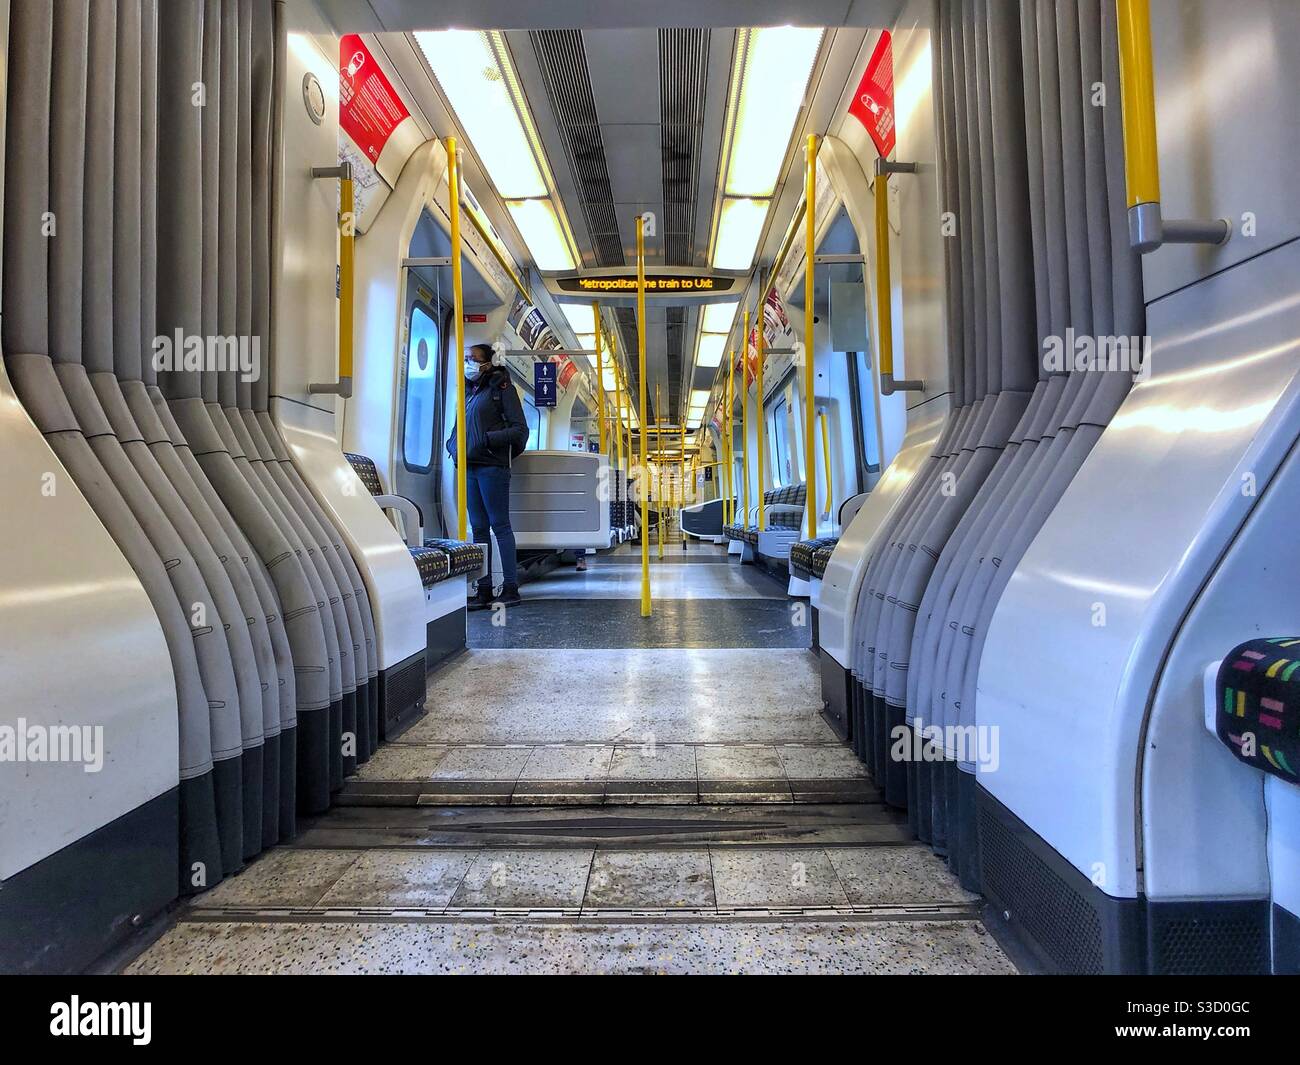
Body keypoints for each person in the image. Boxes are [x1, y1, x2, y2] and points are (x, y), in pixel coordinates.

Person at [445, 343, 529, 608]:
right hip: (469, 467)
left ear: (488, 363)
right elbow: (458, 429)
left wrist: (486, 440)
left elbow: (519, 430)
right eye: (466, 358)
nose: (468, 362)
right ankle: (484, 588)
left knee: (500, 526)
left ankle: (511, 587)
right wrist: (452, 447)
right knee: (478, 528)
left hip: (493, 466)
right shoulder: (469, 393)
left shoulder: (502, 390)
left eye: (473, 358)